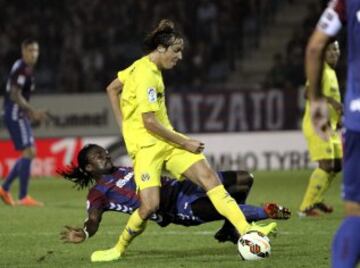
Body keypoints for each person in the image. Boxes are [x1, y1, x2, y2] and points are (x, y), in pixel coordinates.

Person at [102, 19, 276, 262]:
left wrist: (123, 125)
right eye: (176, 50)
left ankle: (247, 231)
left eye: (180, 50)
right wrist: (183, 142)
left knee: (210, 179)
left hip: (168, 141)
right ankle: (119, 248)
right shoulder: (146, 77)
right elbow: (149, 122)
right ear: (160, 49)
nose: (180, 56)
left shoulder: (139, 67)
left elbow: (111, 88)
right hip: (147, 149)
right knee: (149, 206)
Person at [59, 144, 290, 249]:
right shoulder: (98, 194)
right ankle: (264, 212)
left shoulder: (123, 169)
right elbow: (94, 218)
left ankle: (231, 228)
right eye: (99, 156)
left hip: (185, 186)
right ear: (89, 168)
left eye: (104, 152)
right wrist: (86, 232)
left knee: (244, 178)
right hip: (177, 208)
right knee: (223, 206)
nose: (106, 155)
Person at [305, 0, 360, 267]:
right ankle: (308, 204)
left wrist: (318, 102)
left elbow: (314, 45)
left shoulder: (346, 2)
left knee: (355, 214)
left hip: (356, 116)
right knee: (328, 165)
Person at [0, 39, 47, 207]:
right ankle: (22, 196)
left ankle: (5, 188)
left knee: (30, 152)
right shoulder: (22, 69)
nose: (34, 54)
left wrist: (29, 112)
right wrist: (32, 110)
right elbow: (14, 94)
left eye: (36, 50)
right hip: (15, 113)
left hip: (19, 113)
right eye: (30, 50)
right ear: (23, 50)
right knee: (29, 151)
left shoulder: (23, 67)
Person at [299, 40, 342, 217]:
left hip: (329, 126)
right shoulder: (320, 69)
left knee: (337, 164)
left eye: (337, 50)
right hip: (317, 124)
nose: (334, 53)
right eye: (330, 50)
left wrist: (336, 119)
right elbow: (308, 92)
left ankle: (317, 199)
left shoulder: (331, 72)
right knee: (326, 165)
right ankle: (305, 207)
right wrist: (333, 102)